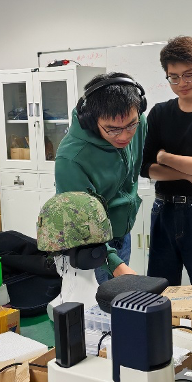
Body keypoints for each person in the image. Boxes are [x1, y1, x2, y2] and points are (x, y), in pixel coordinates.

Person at [141, 36, 192, 286]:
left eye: (189, 75)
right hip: (163, 209)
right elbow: (145, 168)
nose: (181, 83)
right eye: (173, 77)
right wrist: (187, 175)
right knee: (160, 289)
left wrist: (164, 157)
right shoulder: (159, 113)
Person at [54, 72, 146, 284]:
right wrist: (114, 263)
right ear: (91, 120)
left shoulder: (139, 122)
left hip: (122, 234)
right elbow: (80, 223)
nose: (124, 136)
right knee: (100, 303)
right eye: (112, 130)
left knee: (120, 299)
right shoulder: (71, 158)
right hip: (92, 246)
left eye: (131, 125)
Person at [37, 191, 113, 312]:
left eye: (53, 253)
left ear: (63, 259)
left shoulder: (60, 308)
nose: (53, 258)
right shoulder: (105, 303)